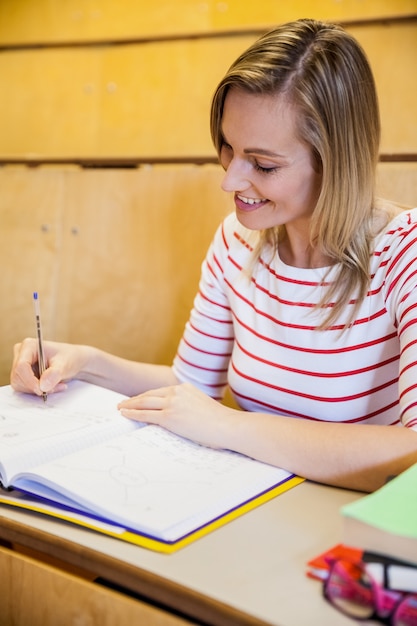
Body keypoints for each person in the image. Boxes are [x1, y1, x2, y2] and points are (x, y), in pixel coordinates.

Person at [11, 18, 417, 493]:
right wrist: (87, 362)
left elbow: (409, 454)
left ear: (336, 161)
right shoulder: (236, 241)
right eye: (228, 146)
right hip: (241, 502)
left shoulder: (403, 253)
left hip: (342, 526)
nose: (230, 180)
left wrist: (230, 427)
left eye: (264, 164)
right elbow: (190, 386)